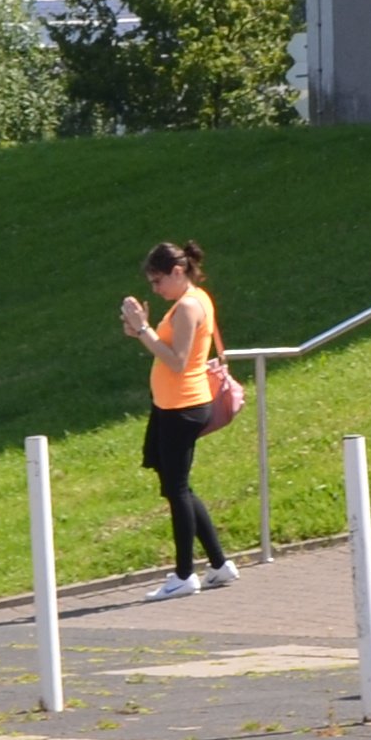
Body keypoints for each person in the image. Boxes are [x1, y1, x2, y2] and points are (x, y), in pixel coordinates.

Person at [121, 238, 238, 596]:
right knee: (178, 487)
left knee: (177, 489)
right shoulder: (190, 301)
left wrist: (144, 329)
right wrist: (141, 332)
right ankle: (219, 565)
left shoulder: (189, 306)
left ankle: (185, 575)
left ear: (177, 271)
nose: (155, 289)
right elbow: (167, 350)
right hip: (170, 405)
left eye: (158, 281)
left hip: (183, 407)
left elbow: (178, 360)